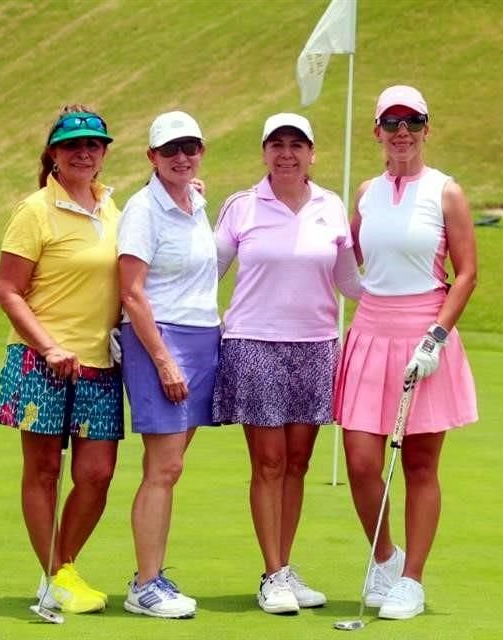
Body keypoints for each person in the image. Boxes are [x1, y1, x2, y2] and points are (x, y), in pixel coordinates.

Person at [333, 85, 479, 620]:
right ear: (376, 132)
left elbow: (466, 274)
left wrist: (437, 337)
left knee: (420, 464)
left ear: (426, 129)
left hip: (424, 336)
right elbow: (343, 256)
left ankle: (412, 581)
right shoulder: (367, 192)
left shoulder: (446, 192)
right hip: (371, 331)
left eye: (412, 123)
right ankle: (385, 557)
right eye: (391, 124)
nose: (402, 133)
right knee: (361, 460)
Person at [212, 113, 362, 615]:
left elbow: (350, 284)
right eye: (276, 144)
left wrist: (416, 296)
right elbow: (205, 272)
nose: (287, 153)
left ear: (312, 153)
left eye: (297, 145)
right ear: (264, 153)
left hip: (316, 346)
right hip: (254, 344)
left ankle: (286, 567)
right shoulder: (242, 206)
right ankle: (271, 574)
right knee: (270, 463)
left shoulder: (331, 206)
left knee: (297, 463)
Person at [0, 104, 123, 614]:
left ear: (105, 153)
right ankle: (55, 574)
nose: (84, 152)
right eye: (73, 145)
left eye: (93, 144)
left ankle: (60, 568)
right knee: (44, 470)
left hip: (99, 365)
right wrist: (48, 345)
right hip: (40, 361)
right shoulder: (35, 210)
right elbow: (8, 291)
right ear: (54, 154)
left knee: (97, 474)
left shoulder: (112, 209)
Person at [117, 111, 219, 619]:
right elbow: (132, 292)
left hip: (204, 337)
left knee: (169, 468)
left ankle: (152, 573)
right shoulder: (142, 209)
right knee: (165, 466)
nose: (182, 157)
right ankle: (145, 583)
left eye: (191, 147)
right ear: (152, 157)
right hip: (161, 339)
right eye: (171, 150)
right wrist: (163, 360)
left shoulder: (195, 200)